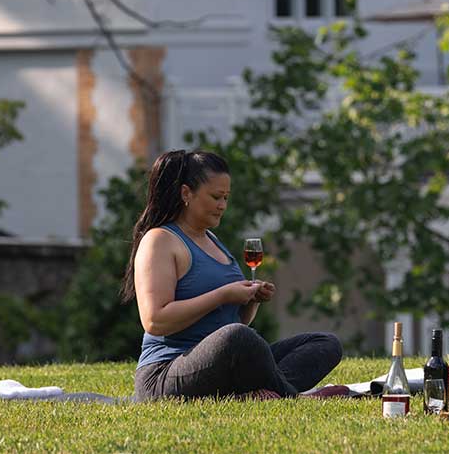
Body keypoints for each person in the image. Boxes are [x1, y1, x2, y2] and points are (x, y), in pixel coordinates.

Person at [123, 149, 345, 400]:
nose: (223, 206)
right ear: (186, 193)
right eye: (216, 197)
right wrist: (222, 295)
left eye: (226, 198)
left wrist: (250, 300)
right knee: (238, 338)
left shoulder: (212, 239)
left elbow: (234, 321)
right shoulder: (160, 240)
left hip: (223, 364)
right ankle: (291, 397)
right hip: (165, 375)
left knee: (324, 343)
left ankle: (260, 393)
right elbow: (155, 320)